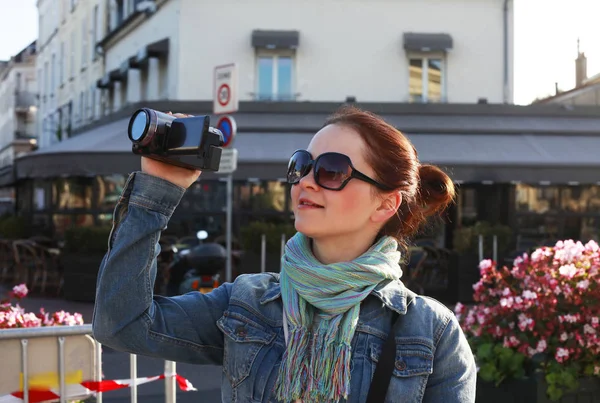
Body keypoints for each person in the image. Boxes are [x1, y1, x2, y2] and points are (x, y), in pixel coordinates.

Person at [92, 106, 477, 403]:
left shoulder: (429, 331)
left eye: (331, 171)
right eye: (301, 166)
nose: (306, 181)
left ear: (385, 204)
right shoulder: (248, 303)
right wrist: (157, 190)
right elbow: (122, 324)